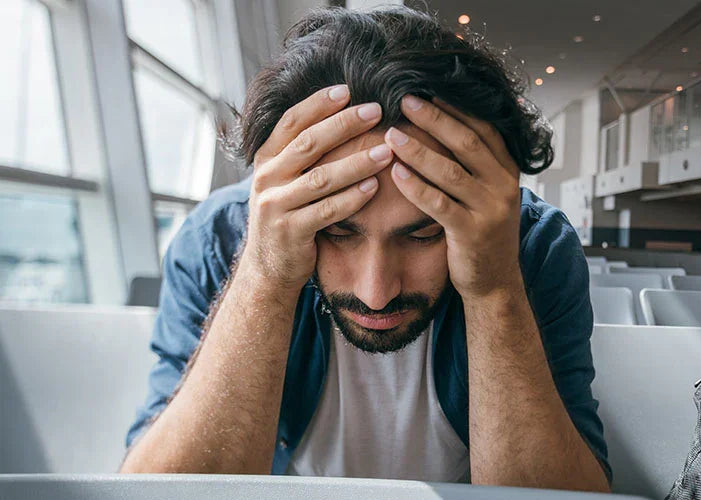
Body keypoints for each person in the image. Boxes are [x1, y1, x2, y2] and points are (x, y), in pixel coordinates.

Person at [120, 6, 610, 492]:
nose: (376, 294)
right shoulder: (218, 240)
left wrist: (495, 287)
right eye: (337, 233)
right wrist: (265, 274)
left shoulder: (532, 246)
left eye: (421, 235)